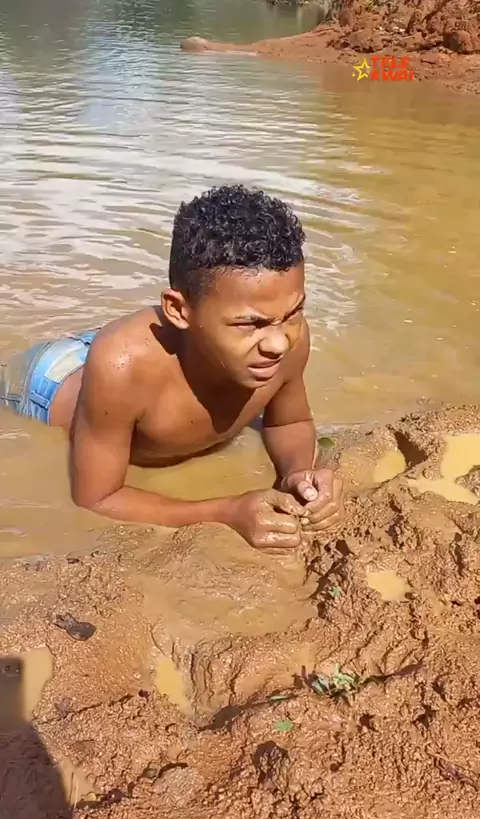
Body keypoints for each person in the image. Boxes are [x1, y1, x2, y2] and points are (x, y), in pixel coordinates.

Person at [0, 184, 343, 551]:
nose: (278, 343)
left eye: (293, 313)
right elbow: (97, 498)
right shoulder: (122, 365)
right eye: (251, 324)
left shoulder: (287, 336)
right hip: (50, 382)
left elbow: (288, 423)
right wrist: (227, 512)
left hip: (168, 346)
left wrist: (298, 474)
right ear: (179, 310)